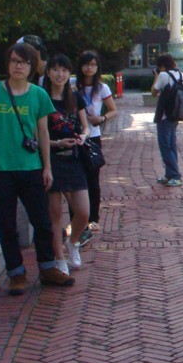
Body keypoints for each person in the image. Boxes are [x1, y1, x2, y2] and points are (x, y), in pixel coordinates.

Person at [0, 43, 75, 294]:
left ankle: (48, 268)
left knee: (42, 222)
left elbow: (42, 132)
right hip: (0, 170)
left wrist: (47, 167)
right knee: (7, 226)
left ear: (31, 66)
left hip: (31, 168)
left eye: (25, 62)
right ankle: (16, 274)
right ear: (7, 64)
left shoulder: (39, 95)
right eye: (15, 61)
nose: (19, 66)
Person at [44, 54, 90, 274]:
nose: (60, 74)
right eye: (55, 69)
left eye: (64, 70)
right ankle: (59, 258)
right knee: (55, 214)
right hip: (51, 160)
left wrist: (83, 136)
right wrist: (58, 142)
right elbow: (38, 135)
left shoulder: (75, 97)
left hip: (73, 160)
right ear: (48, 72)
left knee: (83, 211)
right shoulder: (41, 98)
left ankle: (73, 242)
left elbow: (86, 126)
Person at [73, 51, 117, 238]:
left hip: (93, 137)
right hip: (75, 136)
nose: (89, 68)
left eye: (93, 64)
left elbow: (113, 110)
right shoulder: (72, 85)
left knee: (93, 178)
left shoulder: (102, 88)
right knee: (75, 179)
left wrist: (101, 118)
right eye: (86, 64)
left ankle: (93, 218)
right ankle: (75, 218)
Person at [151, 53, 183, 187]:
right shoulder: (181, 74)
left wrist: (156, 77)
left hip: (164, 116)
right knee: (171, 145)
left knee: (164, 146)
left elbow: (154, 92)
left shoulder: (164, 75)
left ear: (161, 66)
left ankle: (175, 175)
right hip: (176, 114)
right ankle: (169, 174)